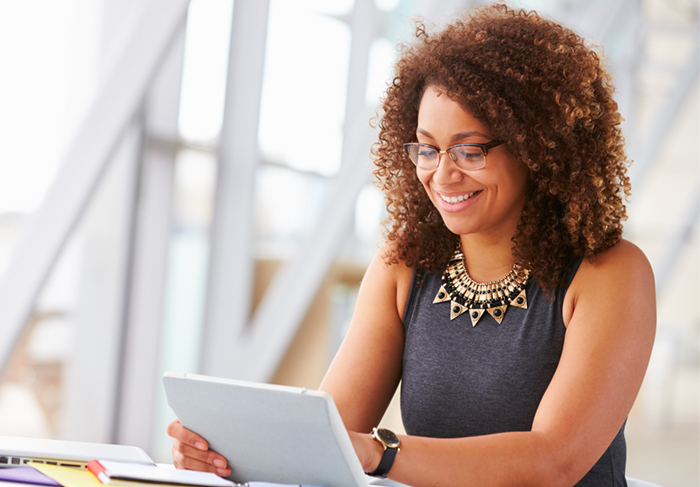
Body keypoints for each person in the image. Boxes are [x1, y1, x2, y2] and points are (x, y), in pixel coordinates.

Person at [167, 4, 656, 486]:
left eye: (469, 149)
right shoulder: (405, 265)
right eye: (427, 148)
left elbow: (553, 463)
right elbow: (330, 435)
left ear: (538, 147)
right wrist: (225, 452)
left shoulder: (610, 273)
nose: (442, 174)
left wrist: (380, 453)